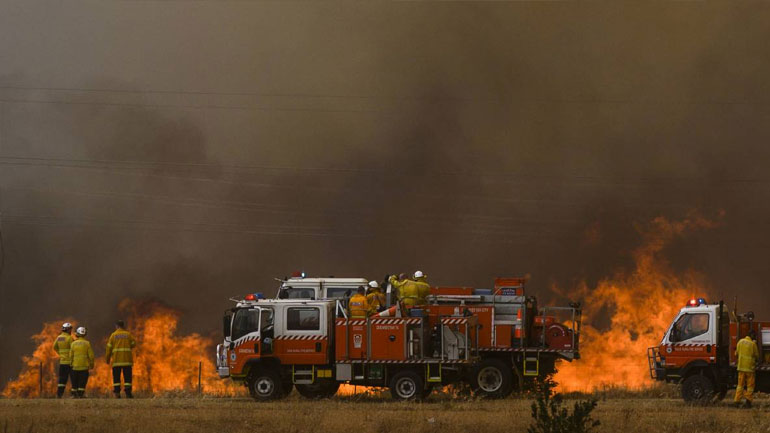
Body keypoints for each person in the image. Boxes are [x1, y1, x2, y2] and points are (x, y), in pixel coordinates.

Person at [106, 320, 137, 398]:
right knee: (127, 378)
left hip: (116, 361)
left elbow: (108, 348)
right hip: (127, 361)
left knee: (116, 378)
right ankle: (128, 393)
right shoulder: (128, 334)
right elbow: (133, 344)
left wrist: (107, 359)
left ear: (117, 326)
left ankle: (117, 393)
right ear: (123, 326)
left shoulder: (113, 335)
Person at [734, 330, 759, 408]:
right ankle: (748, 402)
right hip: (750, 369)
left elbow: (736, 353)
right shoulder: (753, 344)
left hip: (741, 368)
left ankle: (737, 401)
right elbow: (756, 355)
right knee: (750, 386)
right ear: (752, 336)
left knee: (740, 386)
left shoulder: (740, 342)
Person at [70, 327, 94, 398]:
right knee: (82, 382)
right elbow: (91, 356)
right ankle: (81, 394)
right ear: (84, 334)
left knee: (75, 382)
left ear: (77, 334)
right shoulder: (87, 343)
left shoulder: (73, 344)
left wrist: (71, 364)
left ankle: (74, 395)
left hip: (75, 367)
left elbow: (71, 356)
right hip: (84, 367)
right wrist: (91, 365)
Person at [52, 322, 74, 398]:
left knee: (62, 379)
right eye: (70, 329)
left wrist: (60, 354)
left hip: (62, 362)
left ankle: (59, 394)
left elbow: (54, 347)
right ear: (68, 330)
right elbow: (73, 349)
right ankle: (75, 394)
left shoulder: (59, 338)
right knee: (73, 379)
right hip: (70, 363)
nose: (71, 331)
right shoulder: (70, 338)